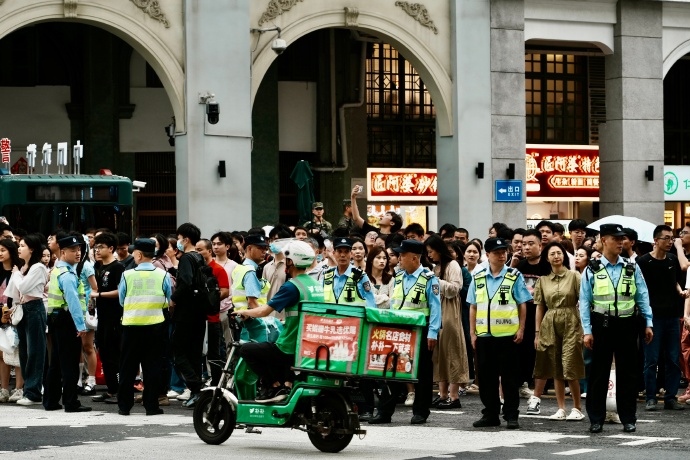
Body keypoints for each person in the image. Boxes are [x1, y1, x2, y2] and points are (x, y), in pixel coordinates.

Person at [580, 223, 653, 434]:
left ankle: (628, 418)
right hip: (601, 325)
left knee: (628, 374)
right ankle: (596, 419)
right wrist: (587, 330)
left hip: (627, 325)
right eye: (616, 238)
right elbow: (584, 301)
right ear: (604, 240)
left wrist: (648, 323)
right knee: (597, 374)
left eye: (622, 239)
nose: (621, 242)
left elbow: (643, 296)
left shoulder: (631, 267)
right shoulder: (592, 268)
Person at [238, 241, 324, 402]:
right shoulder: (315, 285)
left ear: (291, 261)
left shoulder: (292, 286)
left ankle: (274, 387)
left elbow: (264, 311)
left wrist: (244, 312)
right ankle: (286, 385)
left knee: (246, 350)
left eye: (286, 259)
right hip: (310, 344)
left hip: (291, 346)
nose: (285, 263)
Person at [369, 239, 441, 425]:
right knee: (391, 369)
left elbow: (435, 307)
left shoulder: (428, 278)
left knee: (422, 373)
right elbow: (394, 303)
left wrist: (432, 332)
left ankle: (420, 412)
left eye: (402, 254)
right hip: (399, 330)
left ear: (415, 258)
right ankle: (385, 411)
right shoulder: (399, 276)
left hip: (420, 330)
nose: (399, 257)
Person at [468, 237, 532, 430]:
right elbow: (473, 306)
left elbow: (522, 304)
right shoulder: (478, 277)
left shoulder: (513, 275)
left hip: (508, 337)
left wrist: (521, 329)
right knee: (486, 379)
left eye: (504, 251)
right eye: (497, 252)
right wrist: (472, 333)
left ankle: (512, 415)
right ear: (487, 255)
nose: (502, 255)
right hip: (484, 336)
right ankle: (490, 414)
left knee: (510, 379)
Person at [116, 238, 172, 416]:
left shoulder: (127, 274)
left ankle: (124, 406)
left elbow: (121, 299)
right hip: (155, 326)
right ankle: (151, 406)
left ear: (139, 255)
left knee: (127, 367)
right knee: (152, 367)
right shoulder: (163, 275)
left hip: (131, 325)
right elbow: (167, 300)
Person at [533, 242, 586, 421]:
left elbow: (584, 302)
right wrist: (537, 333)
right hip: (550, 322)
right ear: (547, 258)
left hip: (571, 319)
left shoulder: (574, 276)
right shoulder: (543, 280)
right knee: (555, 366)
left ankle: (577, 407)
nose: (556, 256)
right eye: (552, 254)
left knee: (570, 363)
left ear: (563, 256)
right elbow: (540, 307)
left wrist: (585, 328)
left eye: (559, 253)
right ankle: (561, 407)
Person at [637, 225, 687, 411]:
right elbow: (639, 289)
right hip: (652, 318)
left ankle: (670, 397)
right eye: (666, 238)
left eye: (672, 238)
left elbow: (675, 281)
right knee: (651, 359)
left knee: (673, 358)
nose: (670, 242)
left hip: (672, 316)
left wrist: (680, 291)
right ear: (656, 241)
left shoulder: (673, 260)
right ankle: (651, 397)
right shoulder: (643, 262)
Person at [43, 236, 91, 412]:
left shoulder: (57, 270)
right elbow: (73, 302)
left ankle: (51, 401)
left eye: (79, 249)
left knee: (55, 362)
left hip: (56, 318)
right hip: (67, 320)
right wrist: (80, 326)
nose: (78, 253)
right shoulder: (68, 274)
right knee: (69, 363)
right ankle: (71, 402)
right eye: (73, 250)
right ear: (62, 252)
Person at [425, 235, 468, 409]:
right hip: (437, 311)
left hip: (449, 311)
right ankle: (442, 395)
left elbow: (454, 289)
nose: (429, 256)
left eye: (431, 252)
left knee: (452, 351)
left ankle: (454, 395)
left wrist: (435, 281)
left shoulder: (453, 265)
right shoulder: (436, 267)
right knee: (439, 353)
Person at [5, 235, 47, 405]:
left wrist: (15, 274)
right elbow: (14, 293)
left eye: (22, 245)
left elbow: (23, 287)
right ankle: (29, 391)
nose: (19, 248)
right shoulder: (24, 268)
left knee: (35, 352)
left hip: (35, 309)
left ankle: (34, 392)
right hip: (23, 309)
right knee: (24, 352)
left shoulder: (39, 267)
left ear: (32, 249)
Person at [170, 222, 206, 408]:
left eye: (179, 238)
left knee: (177, 351)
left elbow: (185, 282)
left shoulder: (186, 259)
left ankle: (196, 386)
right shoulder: (200, 257)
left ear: (186, 239)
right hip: (199, 312)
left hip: (186, 313)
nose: (177, 242)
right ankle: (196, 392)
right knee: (194, 353)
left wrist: (173, 299)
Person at [89, 232, 125, 404]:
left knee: (113, 354)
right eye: (96, 247)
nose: (97, 250)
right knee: (103, 351)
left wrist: (99, 295)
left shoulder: (118, 268)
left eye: (101, 247)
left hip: (114, 317)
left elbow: (121, 292)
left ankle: (119, 391)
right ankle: (111, 390)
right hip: (101, 317)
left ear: (111, 248)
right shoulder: (99, 266)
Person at [515, 229, 546, 409]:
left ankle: (537, 393)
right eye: (523, 244)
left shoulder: (547, 267)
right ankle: (521, 384)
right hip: (523, 318)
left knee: (539, 355)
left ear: (540, 245)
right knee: (522, 353)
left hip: (542, 317)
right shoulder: (519, 267)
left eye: (530, 244)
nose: (526, 247)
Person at [195, 239, 230, 386]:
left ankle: (216, 382)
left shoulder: (218, 269)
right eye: (195, 250)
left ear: (209, 251)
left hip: (212, 319)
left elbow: (225, 291)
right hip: (196, 318)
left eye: (200, 250)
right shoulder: (194, 268)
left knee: (214, 353)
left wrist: (210, 299)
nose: (197, 253)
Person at [231, 235, 273, 342]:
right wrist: (265, 320)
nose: (264, 252)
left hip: (244, 318)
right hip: (253, 321)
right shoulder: (250, 271)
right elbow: (252, 301)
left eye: (265, 249)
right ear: (249, 248)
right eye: (260, 248)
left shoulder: (241, 267)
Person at [322, 238, 376, 308]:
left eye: (346, 252)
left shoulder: (360, 276)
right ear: (334, 253)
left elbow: (371, 303)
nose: (342, 255)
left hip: (353, 318)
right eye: (339, 251)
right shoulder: (327, 276)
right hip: (330, 318)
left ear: (351, 254)